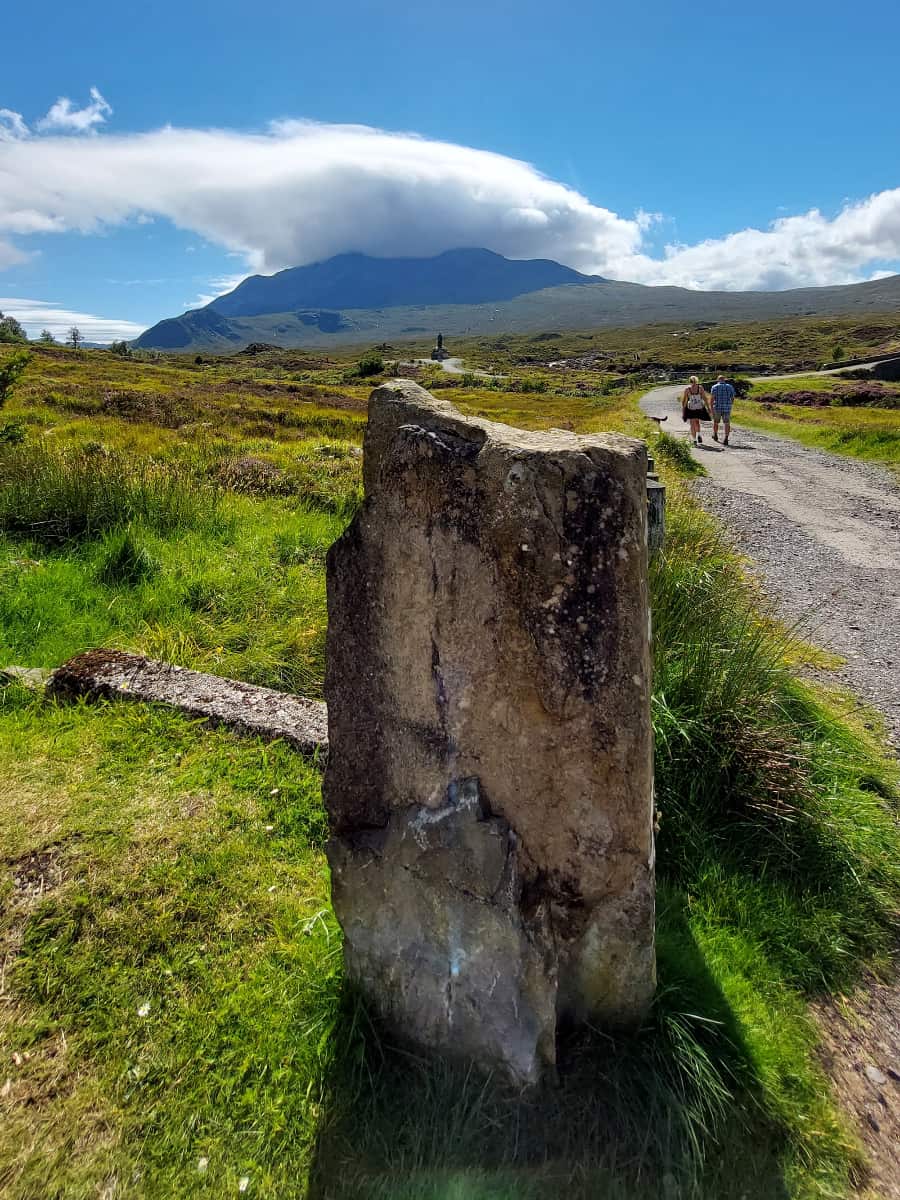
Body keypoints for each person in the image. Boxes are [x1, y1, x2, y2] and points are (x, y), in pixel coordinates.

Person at [681, 376, 711, 445]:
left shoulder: (687, 390)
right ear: (697, 381)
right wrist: (708, 408)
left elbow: (684, 401)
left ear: (690, 382)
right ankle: (699, 435)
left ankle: (694, 440)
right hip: (699, 408)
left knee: (692, 424)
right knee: (697, 422)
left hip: (691, 408)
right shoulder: (700, 388)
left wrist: (683, 411)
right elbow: (705, 398)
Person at [710, 374, 736, 446]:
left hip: (717, 407)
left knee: (716, 422)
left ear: (718, 380)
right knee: (727, 423)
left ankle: (715, 435)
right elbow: (733, 397)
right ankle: (726, 438)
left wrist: (711, 408)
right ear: (724, 379)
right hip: (727, 407)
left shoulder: (714, 387)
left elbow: (712, 398)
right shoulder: (730, 386)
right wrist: (731, 404)